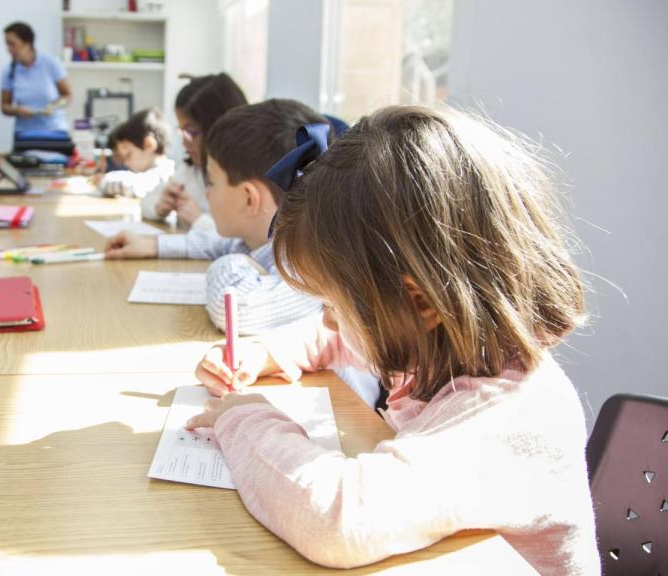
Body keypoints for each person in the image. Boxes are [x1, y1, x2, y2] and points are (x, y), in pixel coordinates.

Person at [187, 106, 600, 573]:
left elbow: (338, 520)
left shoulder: (506, 413)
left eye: (333, 307)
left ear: (417, 302)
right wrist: (265, 353)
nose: (327, 323)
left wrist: (246, 420)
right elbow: (341, 343)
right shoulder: (436, 346)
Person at [141, 73, 247, 229]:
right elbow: (146, 202)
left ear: (219, 128)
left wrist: (199, 220)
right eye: (182, 130)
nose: (185, 141)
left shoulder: (245, 178)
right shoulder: (190, 169)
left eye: (191, 131)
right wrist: (159, 205)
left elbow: (242, 241)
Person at [0, 22, 71, 134]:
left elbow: (67, 95)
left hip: (54, 130)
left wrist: (54, 106)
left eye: (12, 44)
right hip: (24, 133)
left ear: (27, 43)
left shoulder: (50, 63)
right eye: (7, 44)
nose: (8, 49)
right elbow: (4, 107)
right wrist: (18, 110)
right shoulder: (9, 71)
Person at [97, 108, 175, 200]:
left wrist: (103, 181)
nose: (125, 162)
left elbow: (130, 185)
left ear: (148, 145)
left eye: (128, 155)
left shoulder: (165, 173)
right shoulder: (153, 172)